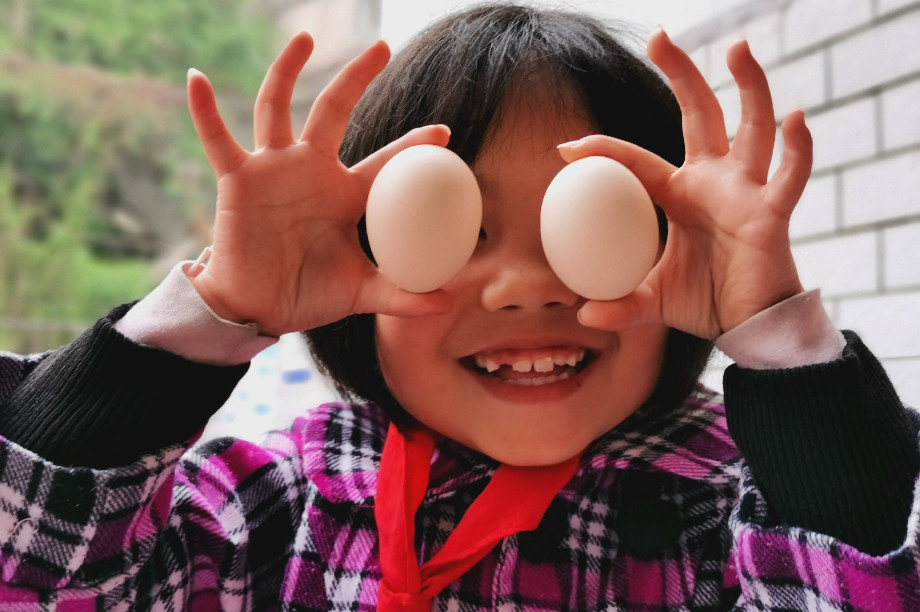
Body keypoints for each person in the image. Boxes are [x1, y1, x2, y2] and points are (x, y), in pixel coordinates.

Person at [0, 3, 917, 610]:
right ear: (357, 265)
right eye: (455, 227)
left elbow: (859, 584)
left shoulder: (739, 513)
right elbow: (36, 574)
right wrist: (212, 315)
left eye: (588, 230)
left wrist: (783, 348)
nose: (527, 285)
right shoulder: (269, 511)